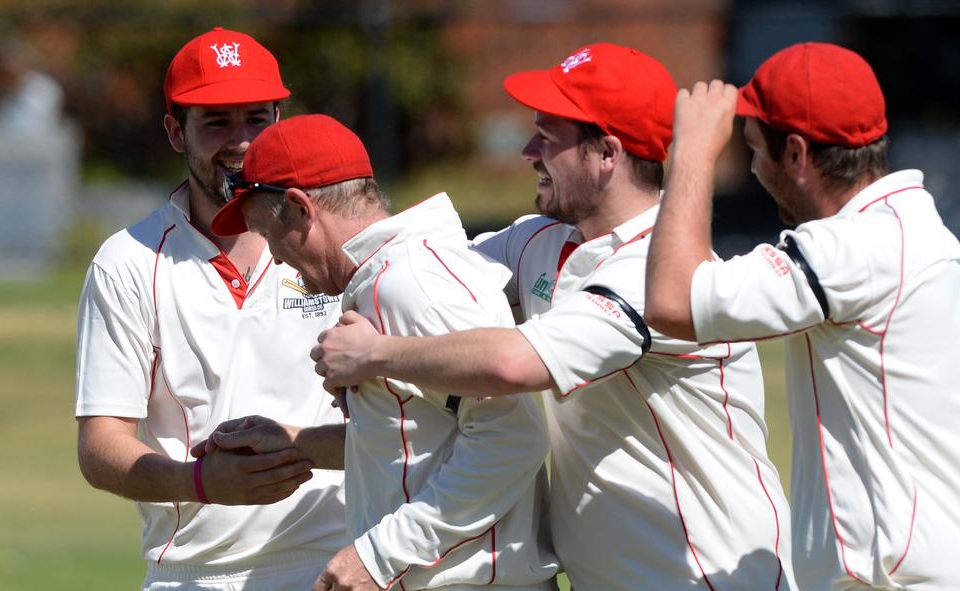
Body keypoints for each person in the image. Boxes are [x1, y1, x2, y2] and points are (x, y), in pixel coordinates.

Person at [311, 43, 797, 590]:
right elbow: (431, 277)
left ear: (607, 153)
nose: (526, 150)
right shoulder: (542, 241)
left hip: (709, 577)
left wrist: (375, 354)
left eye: (548, 135)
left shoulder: (652, 270)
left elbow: (512, 365)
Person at [644, 42, 960, 590]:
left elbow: (670, 301)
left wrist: (691, 155)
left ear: (799, 155)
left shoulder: (854, 249)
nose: (752, 166)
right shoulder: (915, 234)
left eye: (755, 150)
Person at [207, 113, 559, 591]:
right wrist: (297, 442)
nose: (275, 256)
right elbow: (428, 440)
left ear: (300, 208)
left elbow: (512, 438)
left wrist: (379, 556)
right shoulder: (390, 277)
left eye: (268, 234)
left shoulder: (408, 285)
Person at [74, 27, 348, 590]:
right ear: (176, 131)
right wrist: (201, 482)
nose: (242, 141)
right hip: (195, 574)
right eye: (216, 122)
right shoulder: (127, 260)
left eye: (256, 118)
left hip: (341, 563)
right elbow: (101, 444)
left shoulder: (338, 240)